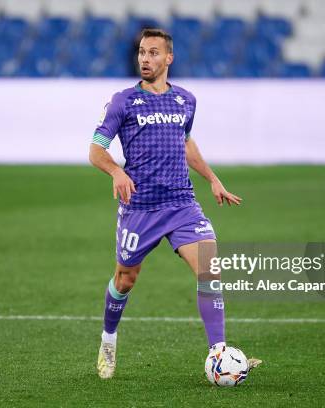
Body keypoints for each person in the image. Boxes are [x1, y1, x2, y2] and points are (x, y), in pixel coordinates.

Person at [89, 28, 260, 379]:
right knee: (125, 279)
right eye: (141, 52)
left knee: (209, 268)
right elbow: (95, 150)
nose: (145, 59)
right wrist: (116, 173)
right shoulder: (123, 101)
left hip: (182, 204)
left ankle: (218, 352)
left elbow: (185, 143)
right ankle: (108, 338)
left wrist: (212, 179)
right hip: (140, 208)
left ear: (169, 58)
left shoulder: (185, 100)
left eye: (153, 53)